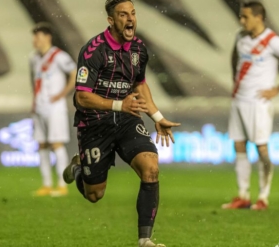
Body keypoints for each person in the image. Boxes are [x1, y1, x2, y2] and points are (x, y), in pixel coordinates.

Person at [63, 1, 181, 246]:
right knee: (94, 194)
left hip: (128, 120)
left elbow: (139, 84)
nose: (130, 19)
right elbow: (81, 96)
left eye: (133, 14)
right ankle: (79, 170)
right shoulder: (92, 51)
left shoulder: (139, 48)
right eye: (123, 15)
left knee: (151, 169)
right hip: (95, 123)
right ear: (111, 20)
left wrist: (157, 117)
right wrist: (118, 104)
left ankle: (144, 240)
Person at [222, 1, 279, 210]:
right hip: (239, 98)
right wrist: (235, 78)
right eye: (241, 16)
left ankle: (263, 198)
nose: (241, 21)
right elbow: (234, 56)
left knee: (261, 148)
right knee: (239, 144)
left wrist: (278, 88)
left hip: (258, 102)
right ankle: (243, 195)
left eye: (245, 17)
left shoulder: (272, 40)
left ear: (259, 17)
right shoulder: (240, 36)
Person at [29, 22, 77, 197]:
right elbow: (34, 81)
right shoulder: (33, 58)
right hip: (39, 107)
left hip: (55, 107)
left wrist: (63, 93)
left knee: (56, 143)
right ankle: (46, 184)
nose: (35, 40)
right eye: (34, 36)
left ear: (47, 37)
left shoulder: (58, 56)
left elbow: (75, 72)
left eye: (38, 36)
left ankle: (62, 185)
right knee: (41, 144)